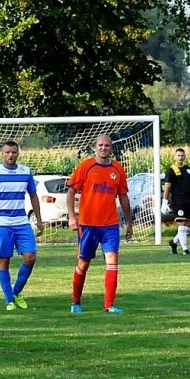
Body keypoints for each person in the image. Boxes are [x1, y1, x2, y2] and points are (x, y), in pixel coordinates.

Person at [65, 134, 134, 314]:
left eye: (107, 145)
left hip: (110, 225)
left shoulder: (118, 169)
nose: (104, 148)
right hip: (87, 224)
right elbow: (71, 191)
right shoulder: (86, 166)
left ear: (111, 148)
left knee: (112, 260)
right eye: (100, 145)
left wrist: (129, 223)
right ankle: (75, 302)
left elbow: (123, 196)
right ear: (95, 147)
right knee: (83, 263)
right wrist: (72, 217)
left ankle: (109, 305)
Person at [0, 141, 45, 311]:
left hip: (22, 222)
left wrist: (39, 219)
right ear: (2, 154)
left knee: (30, 257)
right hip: (2, 224)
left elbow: (33, 196)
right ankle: (9, 301)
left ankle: (15, 293)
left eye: (13, 152)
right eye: (7, 152)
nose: (10, 155)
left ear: (18, 153)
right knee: (4, 262)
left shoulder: (26, 172)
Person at [162, 147, 190, 255]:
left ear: (185, 156)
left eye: (182, 155)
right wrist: (164, 202)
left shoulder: (188, 170)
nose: (180, 157)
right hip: (178, 201)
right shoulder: (171, 170)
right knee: (182, 223)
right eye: (178, 155)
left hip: (188, 201)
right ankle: (185, 249)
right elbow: (167, 188)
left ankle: (174, 242)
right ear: (175, 157)